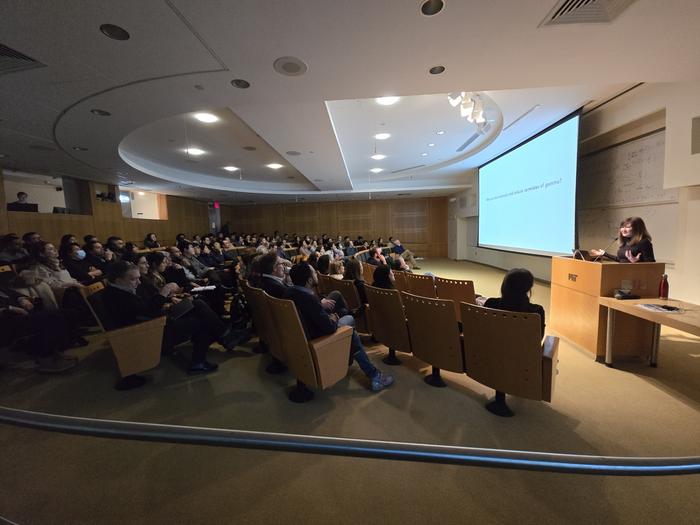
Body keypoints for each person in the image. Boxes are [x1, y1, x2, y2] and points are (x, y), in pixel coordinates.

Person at [102, 261, 229, 374]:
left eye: (138, 278)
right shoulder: (117, 296)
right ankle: (200, 361)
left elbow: (143, 307)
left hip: (152, 323)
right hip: (148, 332)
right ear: (119, 281)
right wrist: (164, 291)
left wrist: (167, 302)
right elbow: (147, 312)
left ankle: (224, 335)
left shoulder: (119, 289)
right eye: (134, 279)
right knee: (201, 322)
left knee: (196, 304)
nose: (139, 282)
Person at [287, 263, 394, 392]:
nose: (316, 274)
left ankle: (348, 349)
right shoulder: (309, 299)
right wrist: (336, 316)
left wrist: (325, 309)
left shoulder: (290, 292)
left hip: (304, 330)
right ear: (309, 280)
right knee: (350, 324)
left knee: (337, 296)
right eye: (314, 273)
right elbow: (329, 328)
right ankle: (373, 374)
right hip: (317, 336)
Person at [484, 268, 545, 337]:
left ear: (505, 284)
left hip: (492, 346)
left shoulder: (491, 304)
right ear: (529, 287)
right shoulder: (537, 311)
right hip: (523, 347)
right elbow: (539, 337)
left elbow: (482, 329)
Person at [590, 216, 655, 263]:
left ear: (637, 229)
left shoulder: (644, 243)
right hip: (622, 273)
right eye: (622, 227)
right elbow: (620, 259)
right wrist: (604, 254)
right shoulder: (626, 242)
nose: (623, 230)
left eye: (628, 227)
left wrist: (636, 262)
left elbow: (652, 264)